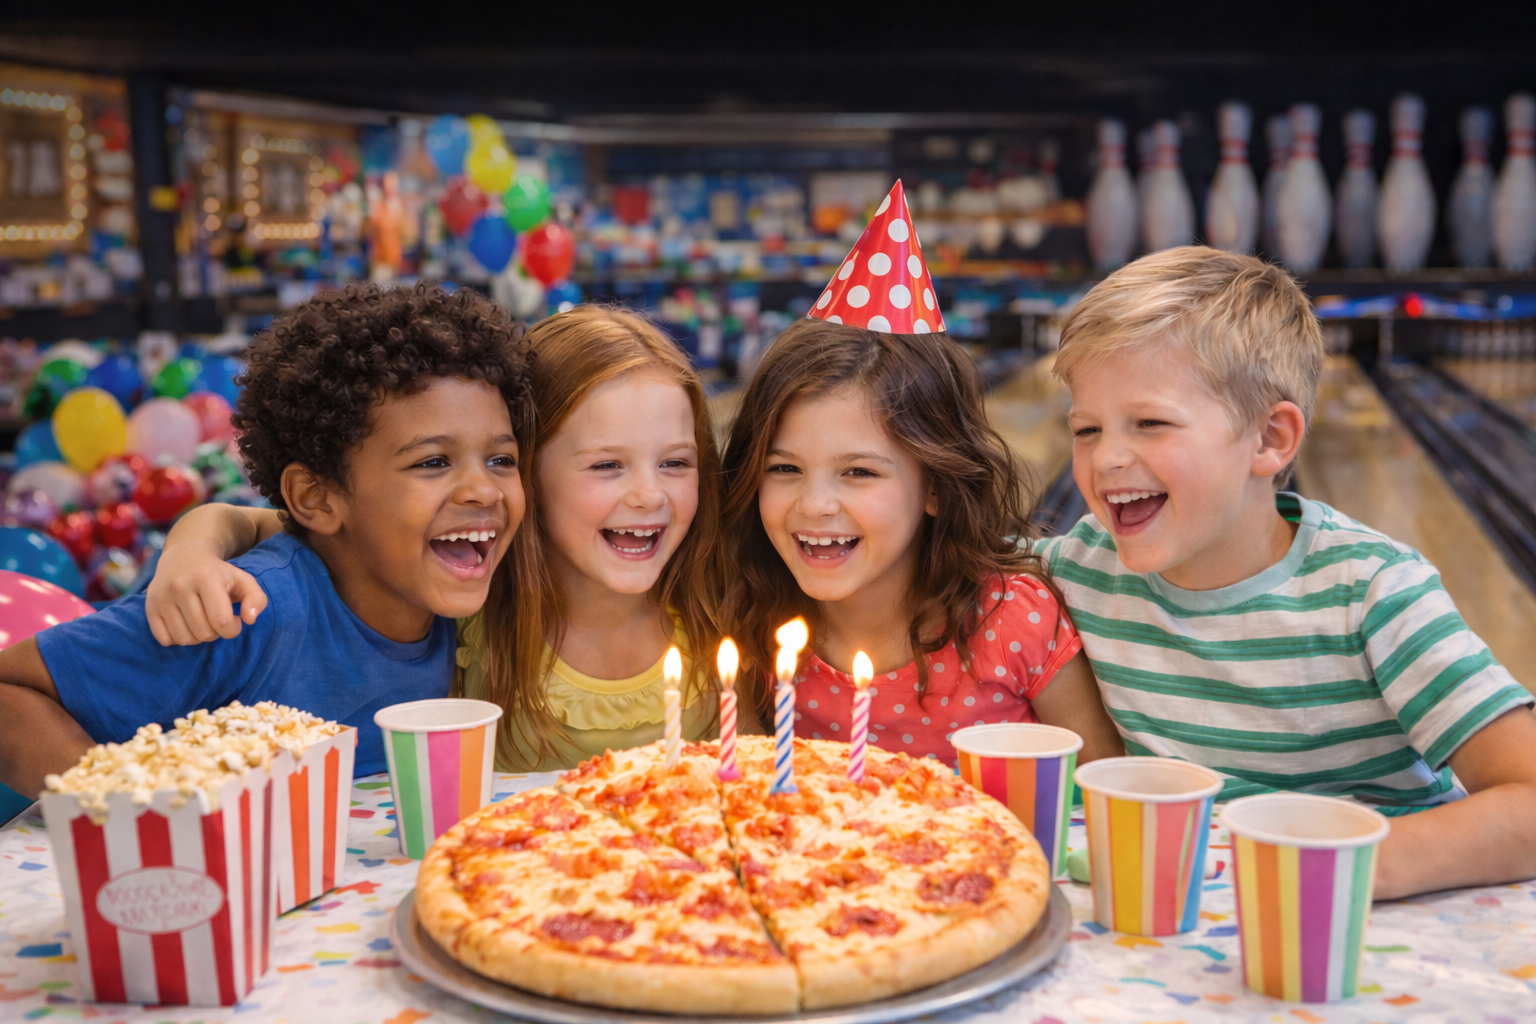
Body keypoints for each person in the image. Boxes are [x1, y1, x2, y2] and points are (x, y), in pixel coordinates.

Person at [1038, 245, 1536, 899]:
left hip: (1363, 928)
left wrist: (1340, 869)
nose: (1105, 460)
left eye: (1150, 423)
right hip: (1197, 938)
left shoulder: (1373, 595)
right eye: (1087, 429)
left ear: (1271, 439)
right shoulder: (1081, 569)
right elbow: (938, 568)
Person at [142, 305, 739, 771]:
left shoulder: (718, 603)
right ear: (525, 471)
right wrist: (192, 545)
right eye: (607, 465)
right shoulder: (469, 589)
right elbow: (311, 523)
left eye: (676, 463)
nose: (649, 496)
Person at [0, 282, 533, 796]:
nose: (482, 489)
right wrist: (121, 807)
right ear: (318, 498)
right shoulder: (244, 611)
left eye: (501, 459)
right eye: (433, 461)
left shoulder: (463, 592)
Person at [719, 178, 1122, 765]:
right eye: (784, 468)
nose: (814, 505)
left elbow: (1102, 790)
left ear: (935, 484)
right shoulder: (758, 620)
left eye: (858, 472)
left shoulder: (1012, 621)